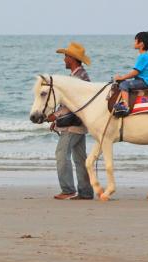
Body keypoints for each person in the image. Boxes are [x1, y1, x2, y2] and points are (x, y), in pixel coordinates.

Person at [49, 42, 94, 200]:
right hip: (79, 123)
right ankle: (86, 192)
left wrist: (56, 116)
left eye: (66, 56)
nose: (64, 60)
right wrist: (57, 118)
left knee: (61, 154)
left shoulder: (77, 78)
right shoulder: (80, 75)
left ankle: (68, 189)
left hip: (72, 125)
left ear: (72, 58)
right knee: (80, 158)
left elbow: (72, 104)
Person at [113, 32, 148, 117]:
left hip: (144, 81)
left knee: (124, 84)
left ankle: (125, 106)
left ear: (141, 44)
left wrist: (121, 77)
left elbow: (134, 73)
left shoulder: (143, 57)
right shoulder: (143, 56)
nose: (134, 43)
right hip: (142, 80)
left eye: (136, 40)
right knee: (124, 82)